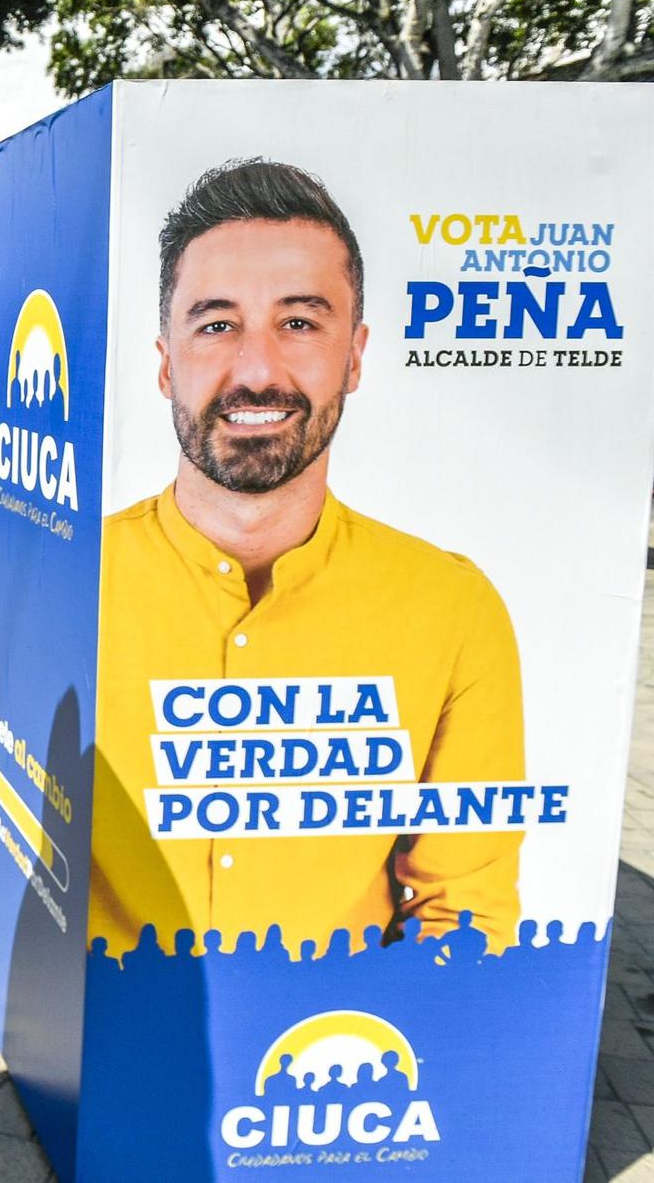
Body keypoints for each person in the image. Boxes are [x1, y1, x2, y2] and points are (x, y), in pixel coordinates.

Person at [91, 158, 522, 959]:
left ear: (355, 356)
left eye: (299, 322)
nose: (257, 371)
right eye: (217, 324)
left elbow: (463, 911)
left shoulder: (453, 608)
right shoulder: (69, 581)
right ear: (164, 361)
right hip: (107, 1060)